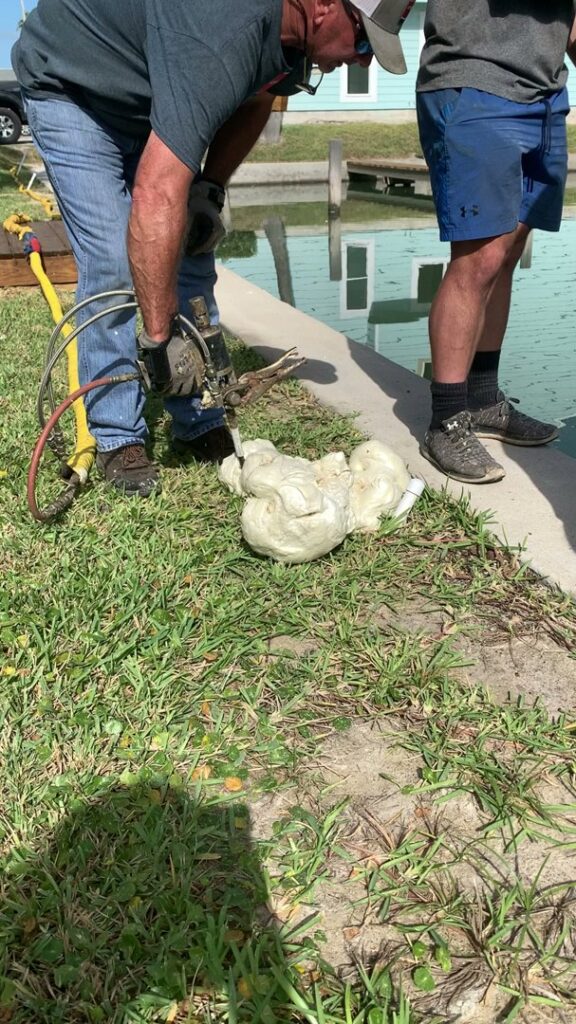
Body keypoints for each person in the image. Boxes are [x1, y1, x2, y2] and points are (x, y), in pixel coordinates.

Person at [12, 0, 412, 497]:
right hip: (73, 87)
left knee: (193, 241)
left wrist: (211, 189)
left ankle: (198, 414)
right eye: (363, 41)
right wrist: (159, 340)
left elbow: (257, 100)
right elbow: (158, 191)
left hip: (148, 91)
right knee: (115, 259)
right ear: (325, 5)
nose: (364, 60)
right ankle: (117, 434)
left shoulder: (289, 40)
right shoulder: (221, 30)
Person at [416, 1, 575, 484]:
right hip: (475, 80)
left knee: (506, 255)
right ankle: (446, 419)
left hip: (545, 91)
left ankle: (483, 398)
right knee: (478, 258)